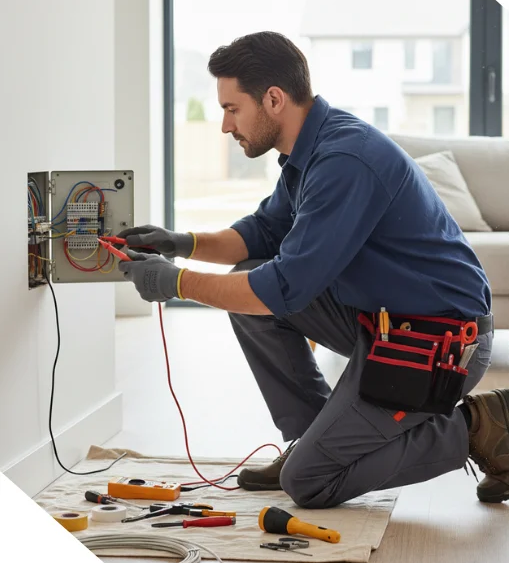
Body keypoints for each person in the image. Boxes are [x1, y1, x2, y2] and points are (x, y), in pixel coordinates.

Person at [117, 31, 509, 509]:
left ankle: (480, 427)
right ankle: (310, 437)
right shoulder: (313, 148)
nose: (224, 125)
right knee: (249, 269)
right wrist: (180, 243)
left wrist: (173, 282)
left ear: (274, 99)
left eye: (232, 108)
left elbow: (282, 286)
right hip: (381, 322)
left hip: (440, 342)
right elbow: (261, 234)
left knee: (310, 483)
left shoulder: (344, 160)